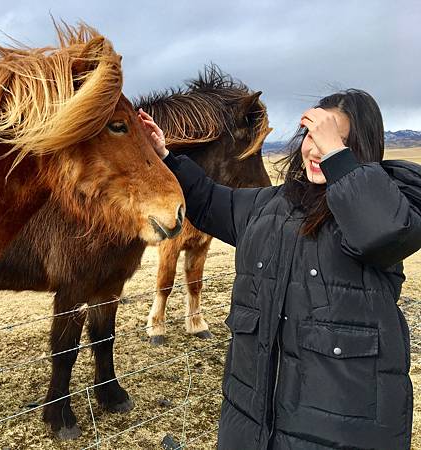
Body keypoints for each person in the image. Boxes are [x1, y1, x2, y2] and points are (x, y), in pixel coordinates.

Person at [138, 89, 421, 450]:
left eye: (336, 141)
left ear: (361, 147)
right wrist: (166, 155)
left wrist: (338, 158)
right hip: (253, 427)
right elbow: (208, 200)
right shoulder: (270, 206)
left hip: (340, 431)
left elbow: (381, 232)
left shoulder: (390, 208)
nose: (316, 150)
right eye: (311, 137)